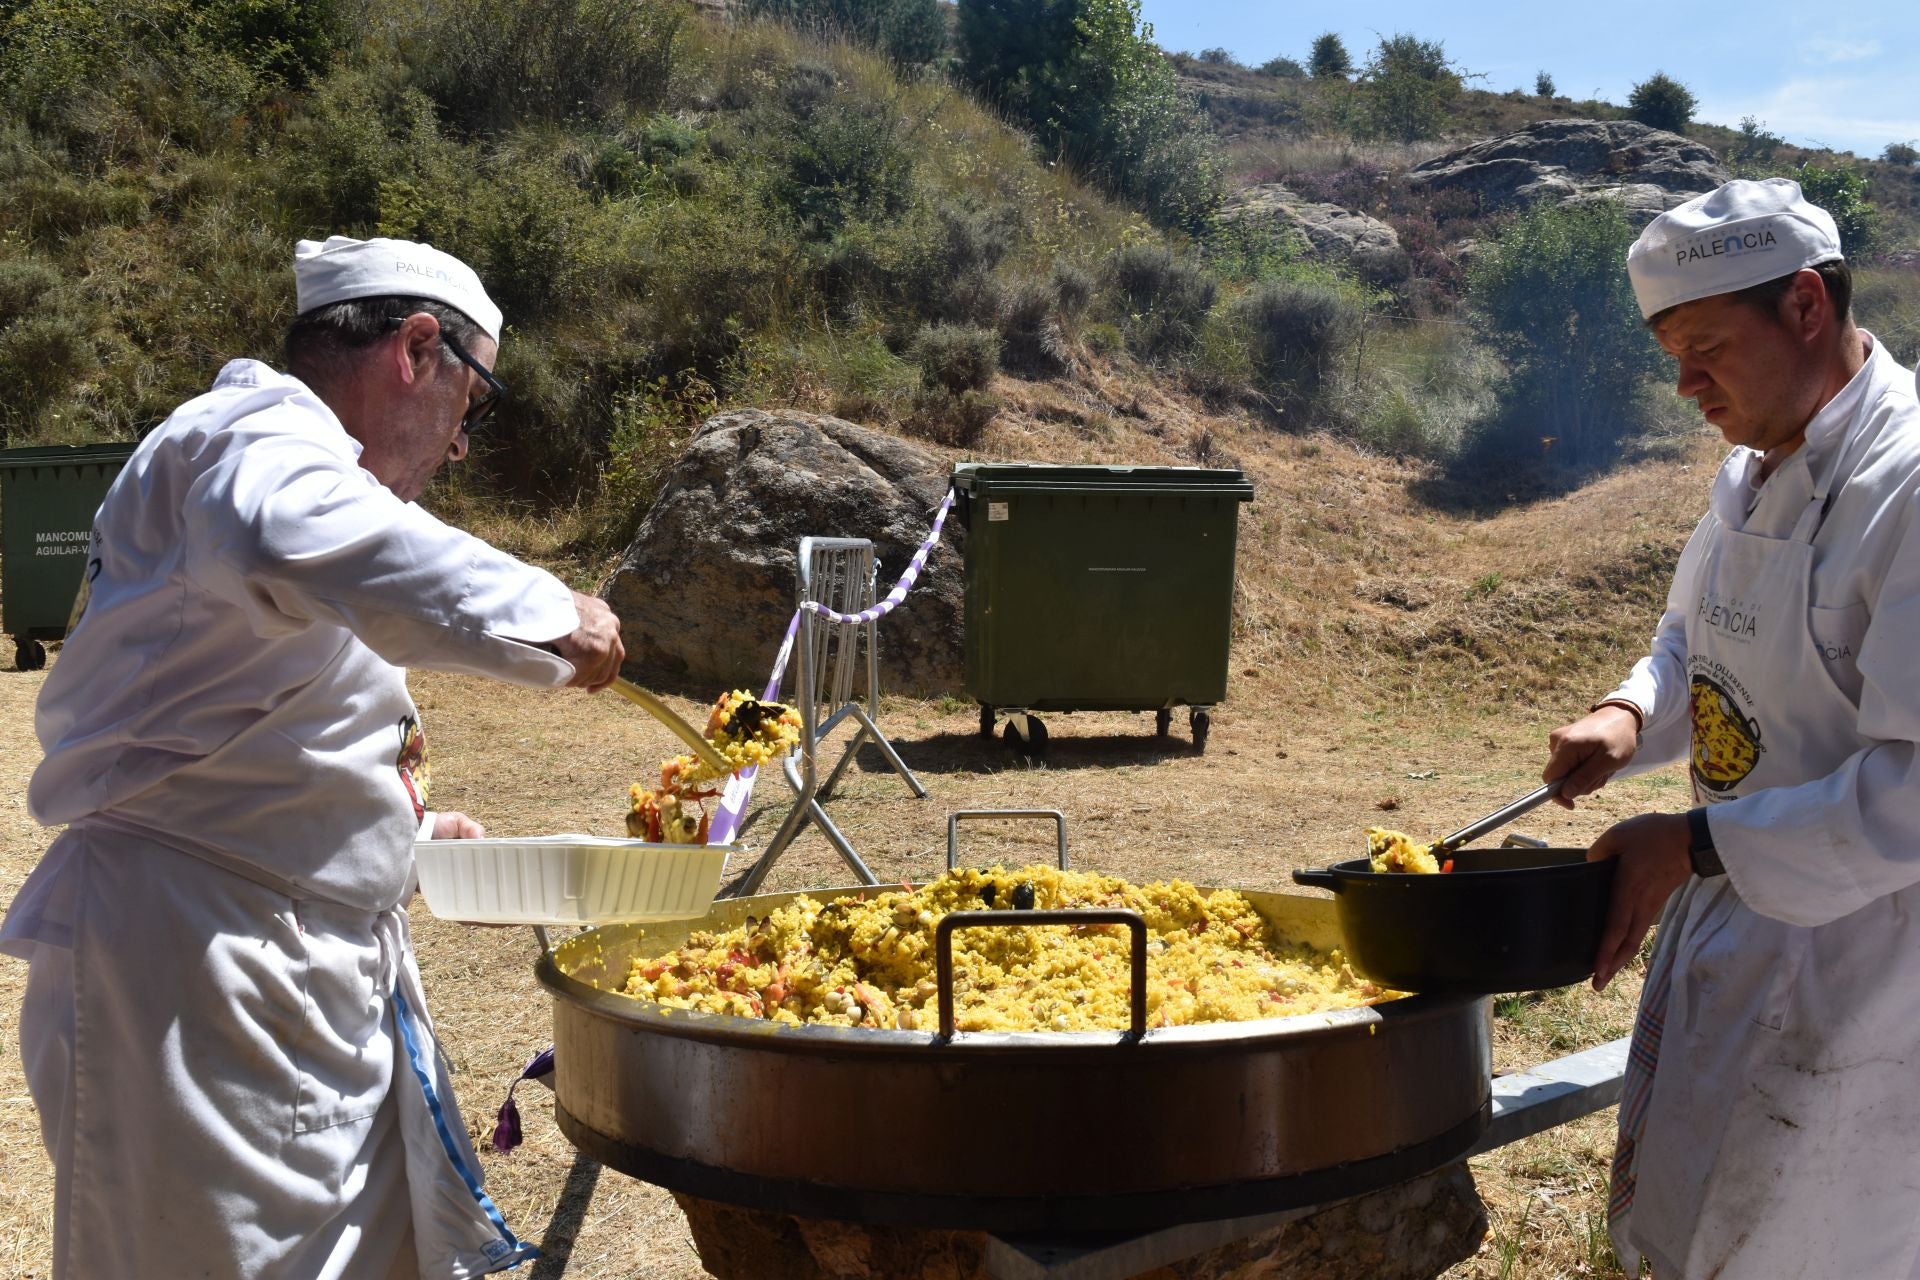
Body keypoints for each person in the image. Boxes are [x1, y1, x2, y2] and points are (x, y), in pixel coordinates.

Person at [0, 235, 626, 1277]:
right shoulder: (254, 441)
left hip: (278, 956)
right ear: (418, 349)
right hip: (202, 977)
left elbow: (252, 712)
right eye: (473, 404)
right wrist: (558, 617)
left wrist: (401, 826)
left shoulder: (287, 468)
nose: (462, 445)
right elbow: (302, 540)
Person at [1543, 178, 1920, 1278]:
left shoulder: (1908, 487)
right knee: (1705, 1225)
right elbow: (1690, 639)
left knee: (1821, 1241)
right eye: (1672, 350)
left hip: (1868, 963)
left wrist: (1693, 843)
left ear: (1806, 304)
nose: (1683, 382)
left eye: (1705, 344)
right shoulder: (1752, 468)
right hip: (1740, 921)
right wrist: (1629, 713)